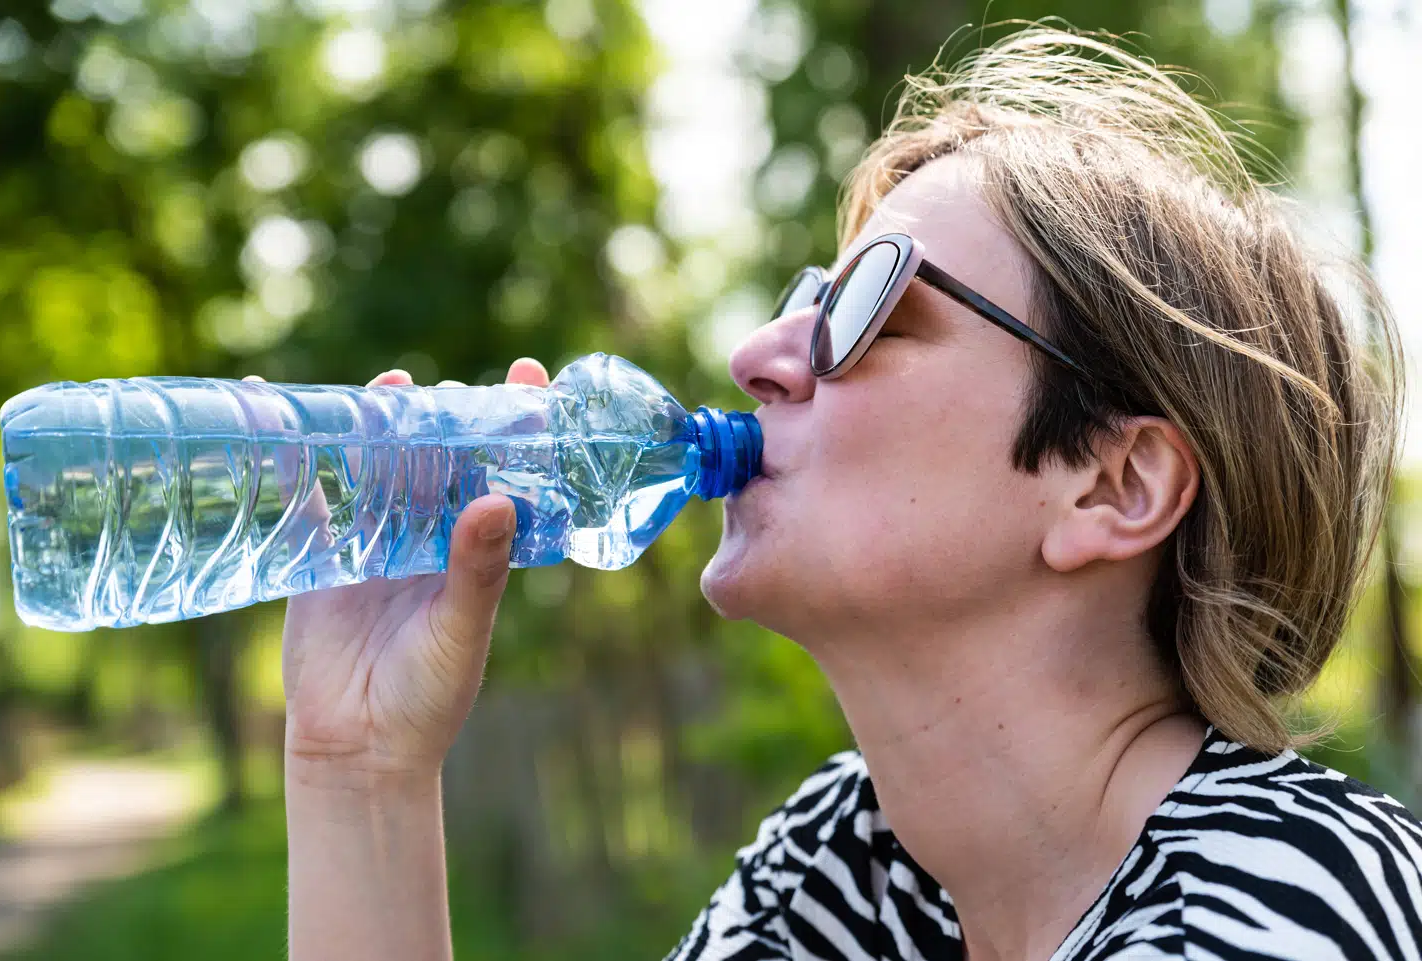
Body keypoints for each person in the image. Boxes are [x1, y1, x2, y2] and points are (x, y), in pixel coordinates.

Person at [279, 28, 1422, 961]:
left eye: (869, 305)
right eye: (801, 295)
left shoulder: (1290, 907)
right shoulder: (847, 868)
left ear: (1110, 486)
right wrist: (361, 773)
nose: (757, 354)